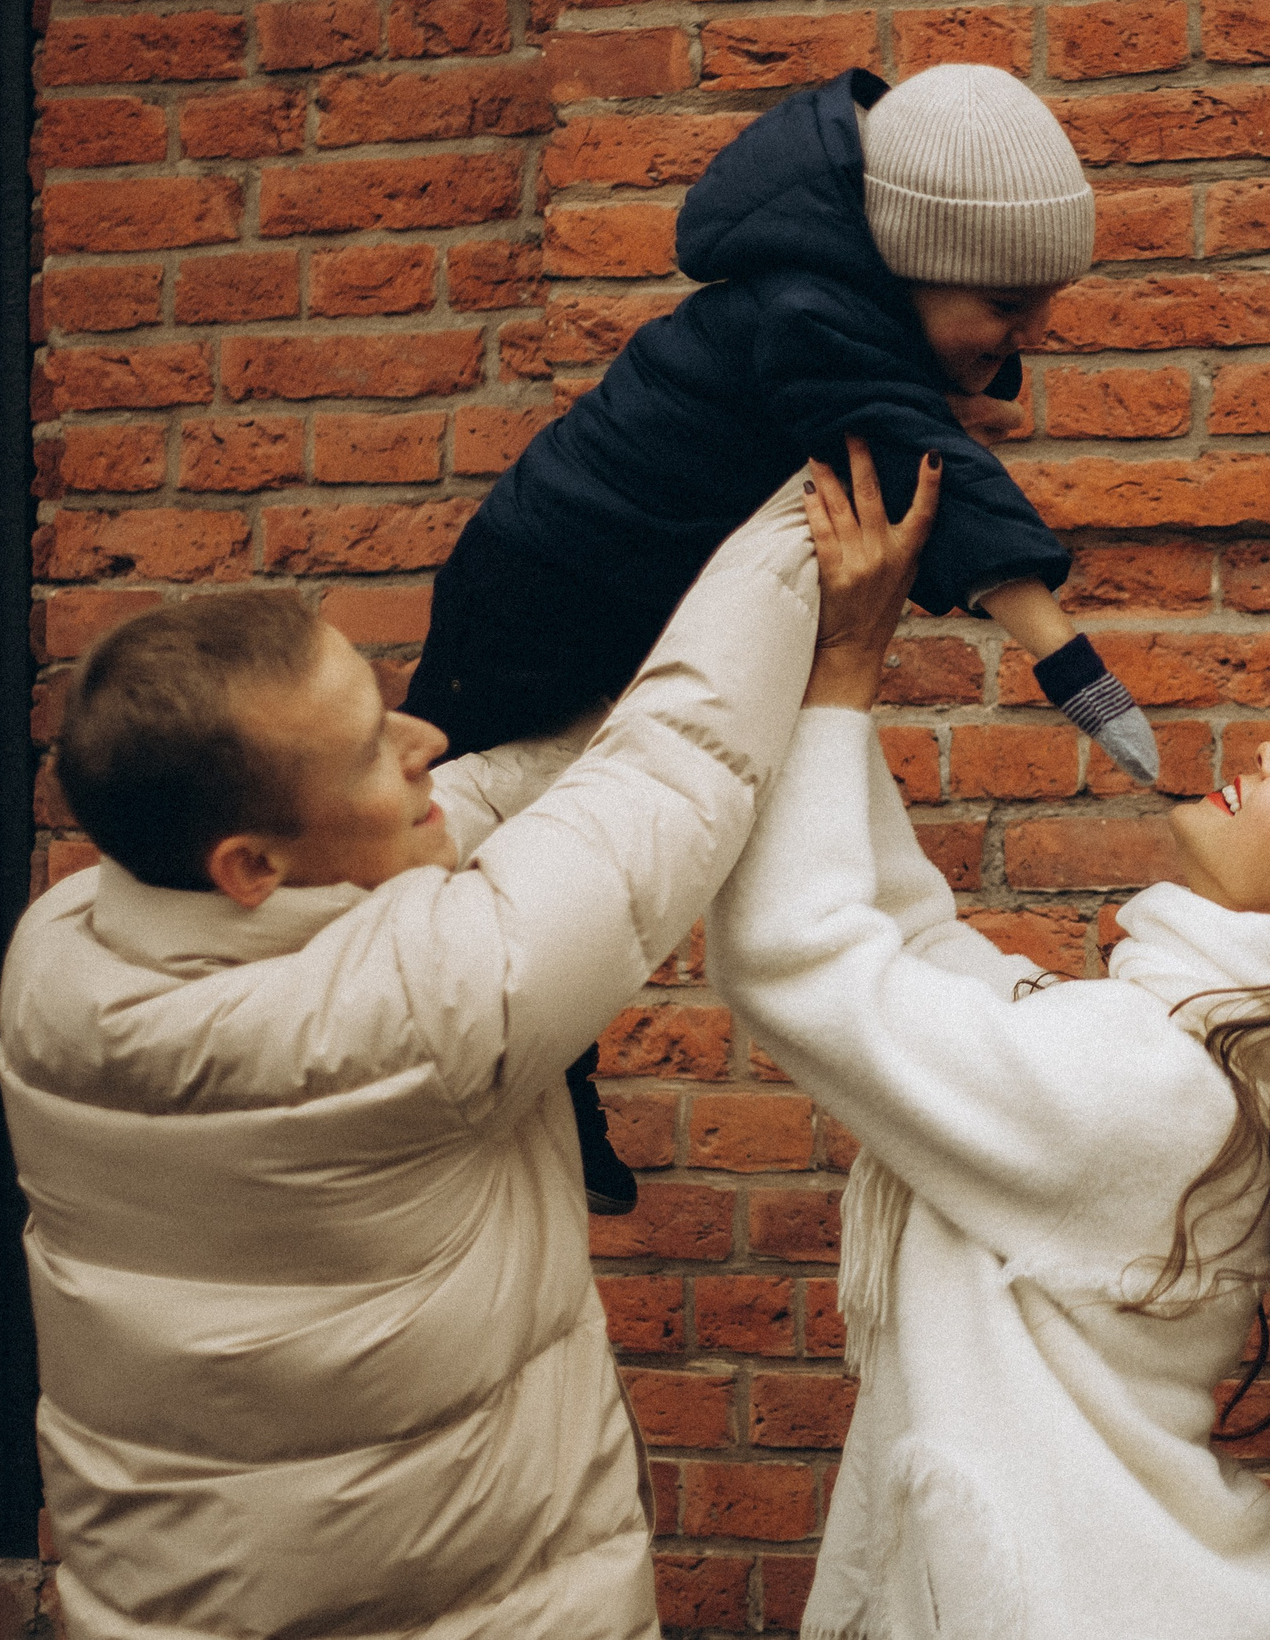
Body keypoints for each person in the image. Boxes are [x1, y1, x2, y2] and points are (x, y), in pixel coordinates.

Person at [709, 456, 1270, 1637]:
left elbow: (797, 961)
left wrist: (844, 668)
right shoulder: (1192, 1066)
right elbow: (913, 946)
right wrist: (831, 666)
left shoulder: (1157, 1093)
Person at [0, 482, 830, 1639]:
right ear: (251, 867)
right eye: (369, 750)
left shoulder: (60, 952)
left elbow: (465, 805)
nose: (425, 741)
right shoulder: (420, 1008)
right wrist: (816, 499)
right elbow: (672, 772)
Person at [406, 60, 1155, 1218]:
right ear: (907, 265)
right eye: (1009, 306)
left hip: (591, 580)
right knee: (449, 824)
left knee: (510, 834)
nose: (1032, 337)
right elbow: (926, 465)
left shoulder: (831, 307)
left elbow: (906, 422)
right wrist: (1073, 668)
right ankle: (479, 1063)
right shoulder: (809, 316)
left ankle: (547, 1080)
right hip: (543, 594)